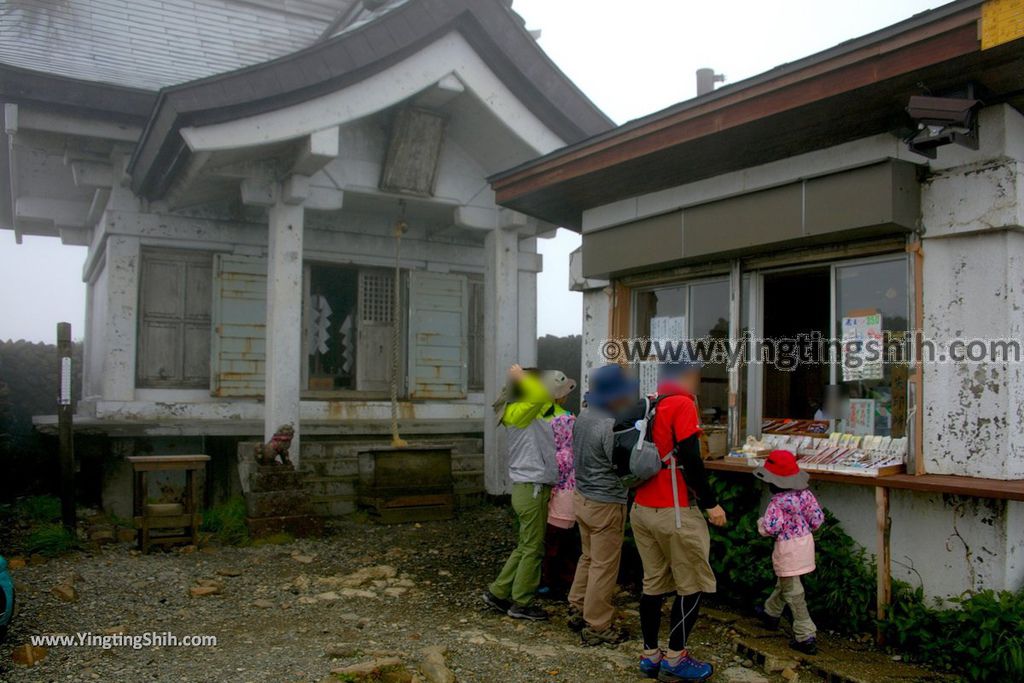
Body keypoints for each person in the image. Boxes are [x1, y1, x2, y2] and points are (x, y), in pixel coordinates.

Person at [632, 359, 726, 682]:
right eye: (696, 374)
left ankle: (650, 655)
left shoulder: (652, 403)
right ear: (685, 374)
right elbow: (691, 460)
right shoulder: (682, 405)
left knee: (653, 583)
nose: (697, 380)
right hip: (673, 512)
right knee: (693, 585)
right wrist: (711, 504)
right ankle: (675, 657)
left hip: (641, 509)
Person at [483, 364, 576, 621]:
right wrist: (524, 378)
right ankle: (521, 602)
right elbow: (537, 395)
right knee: (534, 548)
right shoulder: (520, 410)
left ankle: (498, 592)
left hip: (528, 486)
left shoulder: (523, 411)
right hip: (532, 486)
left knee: (525, 545)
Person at [567, 364, 638, 646]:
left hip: (582, 497)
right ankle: (597, 625)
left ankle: (577, 605)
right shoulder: (609, 426)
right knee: (604, 566)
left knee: (588, 557)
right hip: (606, 501)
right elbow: (623, 467)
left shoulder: (583, 418)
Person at [753, 450, 825, 655]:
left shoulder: (777, 502)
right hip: (805, 544)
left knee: (794, 592)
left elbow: (771, 528)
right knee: (786, 582)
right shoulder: (806, 495)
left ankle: (805, 634)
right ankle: (771, 612)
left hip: (787, 548)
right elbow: (817, 520)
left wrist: (760, 524)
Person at [539, 401, 579, 599]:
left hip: (559, 504)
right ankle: (569, 582)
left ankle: (551, 584)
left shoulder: (559, 456)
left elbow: (553, 480)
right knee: (569, 546)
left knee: (553, 546)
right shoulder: (574, 452)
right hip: (574, 502)